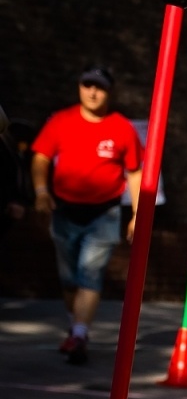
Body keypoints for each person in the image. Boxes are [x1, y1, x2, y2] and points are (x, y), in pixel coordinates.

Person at [30, 66, 144, 365]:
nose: (93, 92)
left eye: (100, 87)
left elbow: (135, 172)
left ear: (109, 92)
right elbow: (40, 158)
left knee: (90, 273)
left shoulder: (121, 128)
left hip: (103, 213)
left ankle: (80, 334)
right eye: (87, 85)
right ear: (79, 88)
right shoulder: (61, 121)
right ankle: (75, 324)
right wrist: (41, 192)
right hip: (64, 210)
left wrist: (137, 213)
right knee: (69, 279)